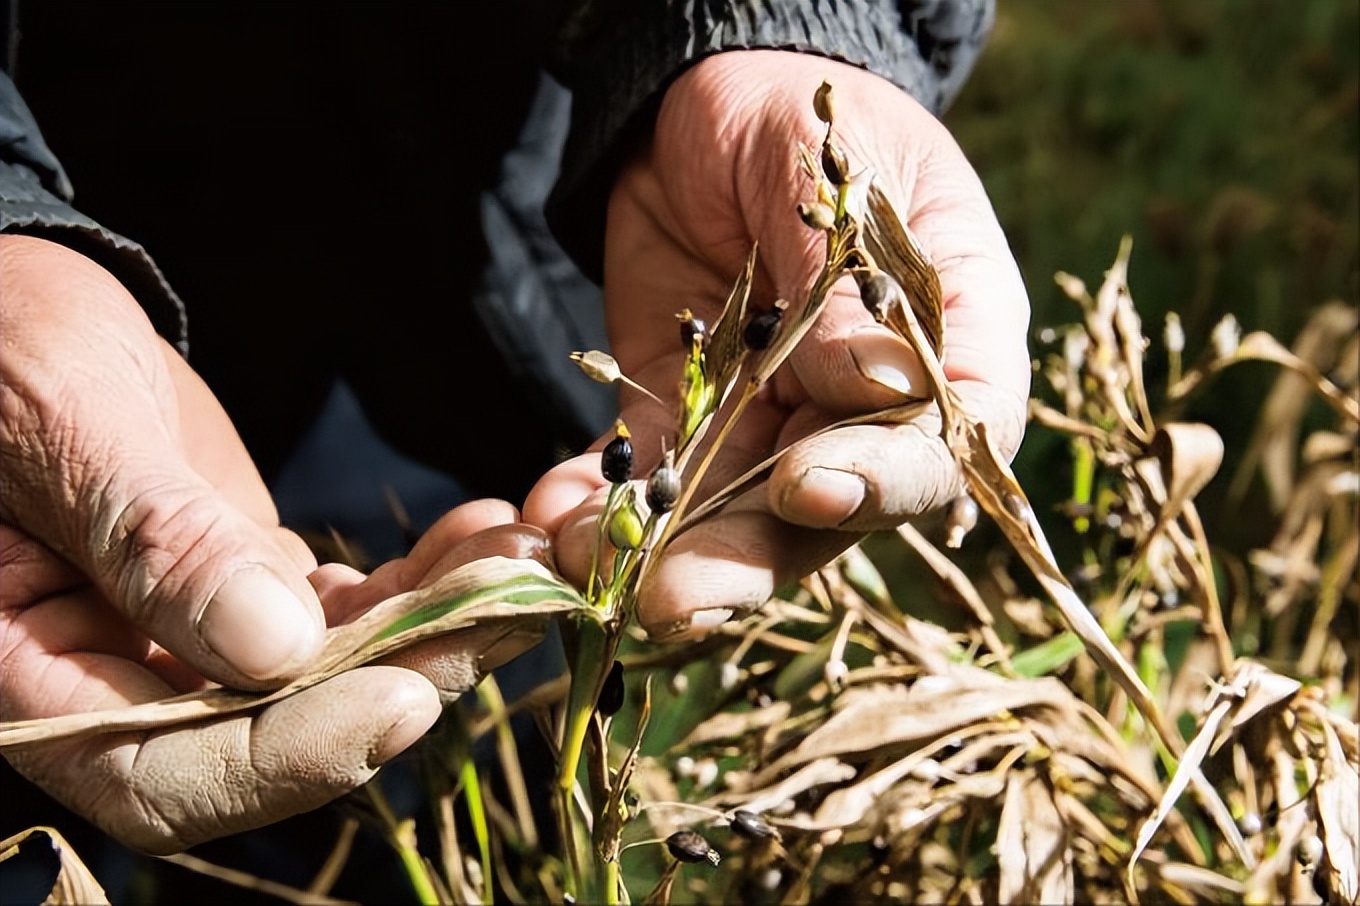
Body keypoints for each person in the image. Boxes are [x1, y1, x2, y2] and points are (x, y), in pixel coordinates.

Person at [0, 0, 1028, 878]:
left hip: (517, 200)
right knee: (136, 706)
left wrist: (766, 28)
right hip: (100, 244)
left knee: (452, 706)